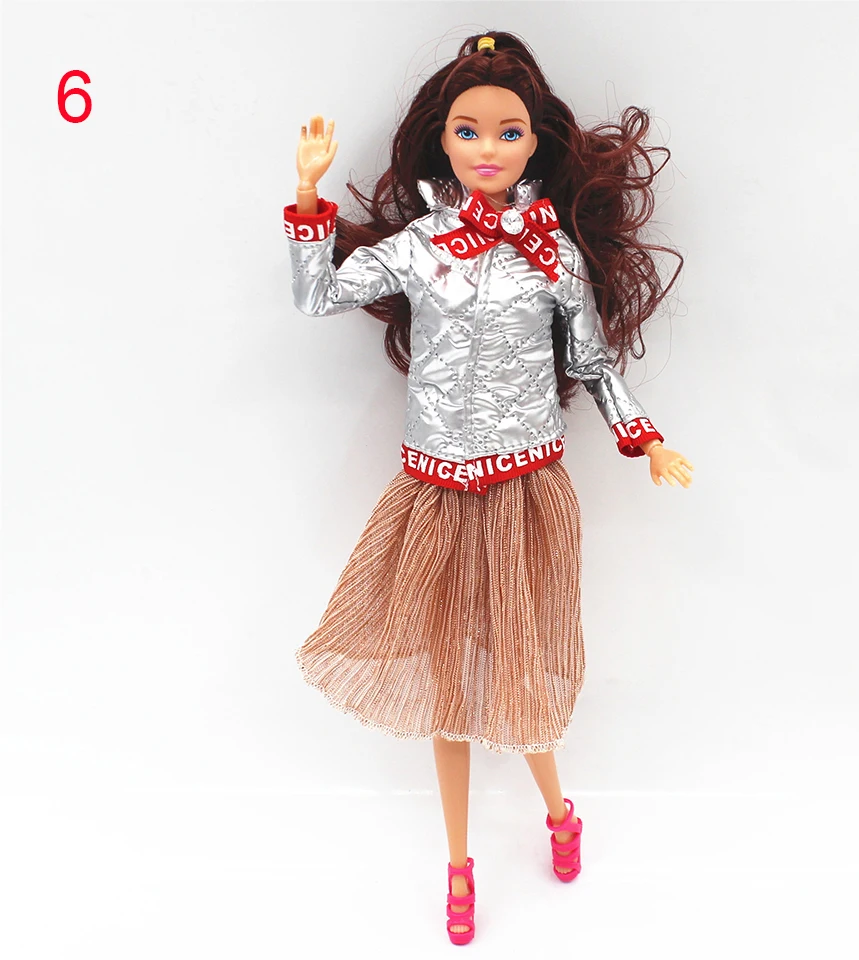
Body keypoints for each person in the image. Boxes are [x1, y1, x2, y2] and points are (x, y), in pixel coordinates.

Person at [283, 31, 693, 945]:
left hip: (523, 487)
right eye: (468, 131)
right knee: (445, 686)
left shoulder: (554, 255)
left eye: (508, 133)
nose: (487, 148)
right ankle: (460, 865)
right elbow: (317, 297)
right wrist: (307, 199)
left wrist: (646, 440)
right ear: (442, 140)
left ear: (536, 142)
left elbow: (591, 361)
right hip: (434, 489)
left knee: (516, 668)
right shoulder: (421, 245)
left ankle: (557, 808)